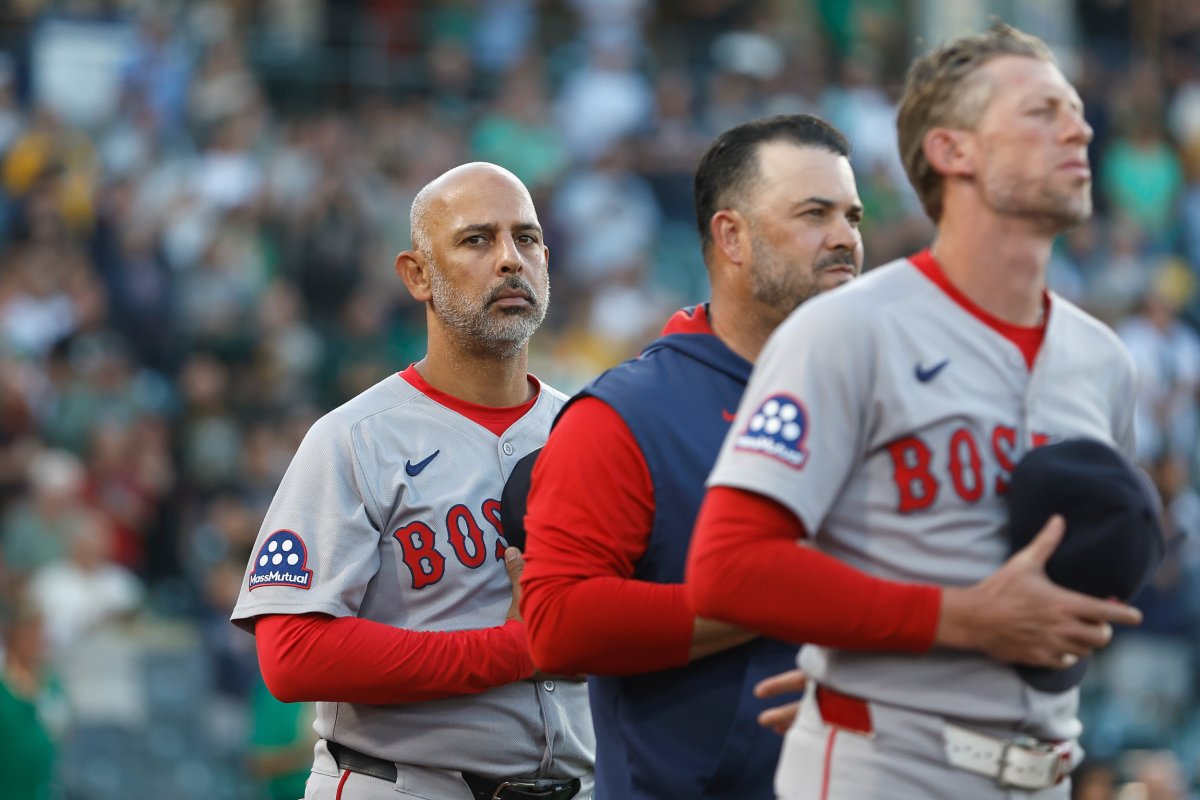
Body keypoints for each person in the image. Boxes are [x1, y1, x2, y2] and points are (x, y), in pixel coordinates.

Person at [686, 24, 1145, 800]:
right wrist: (953, 624)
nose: (1080, 127)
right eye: (1041, 111)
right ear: (952, 150)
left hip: (1043, 771)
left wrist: (894, 658)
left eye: (1074, 108)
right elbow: (727, 572)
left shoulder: (1103, 361)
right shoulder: (846, 329)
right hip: (885, 767)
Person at [519, 114, 863, 800]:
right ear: (731, 236)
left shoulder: (880, 405)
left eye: (853, 215)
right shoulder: (626, 415)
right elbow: (557, 624)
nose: (846, 238)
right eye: (814, 214)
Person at [230, 162, 594, 800]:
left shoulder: (593, 432)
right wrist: (512, 649)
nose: (511, 259)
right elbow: (292, 656)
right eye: (477, 239)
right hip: (406, 785)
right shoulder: (355, 437)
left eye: (527, 238)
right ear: (417, 275)